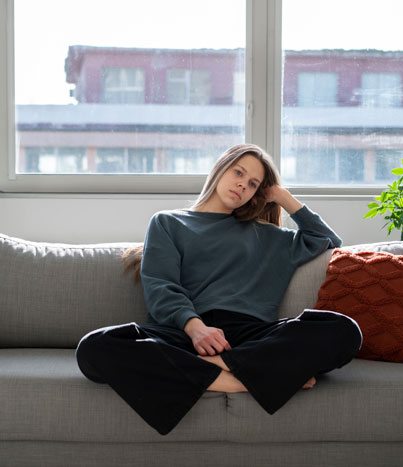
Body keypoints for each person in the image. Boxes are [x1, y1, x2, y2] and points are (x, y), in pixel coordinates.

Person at [76, 143, 362, 435]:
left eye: (253, 184)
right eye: (238, 172)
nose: (243, 184)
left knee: (344, 331)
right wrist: (195, 328)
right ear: (220, 168)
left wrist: (281, 196)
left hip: (252, 335)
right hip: (184, 334)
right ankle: (243, 380)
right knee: (93, 348)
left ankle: (203, 369)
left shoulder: (270, 237)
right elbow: (161, 285)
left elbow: (328, 241)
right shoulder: (168, 223)